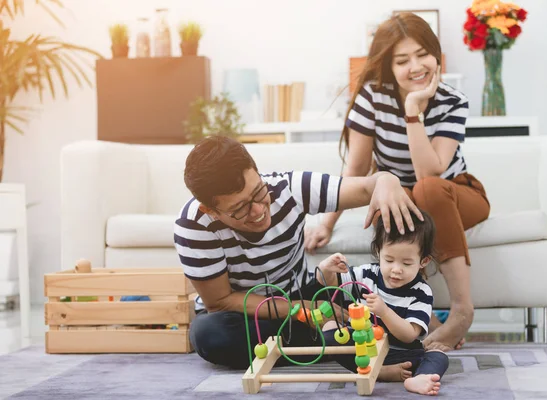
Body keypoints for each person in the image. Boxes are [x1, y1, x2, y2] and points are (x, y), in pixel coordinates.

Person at [305, 12, 490, 352]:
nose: (416, 67)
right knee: (393, 199)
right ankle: (428, 321)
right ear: (388, 66)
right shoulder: (372, 97)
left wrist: (412, 111)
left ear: (436, 54)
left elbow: (430, 173)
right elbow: (357, 167)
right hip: (406, 198)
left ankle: (462, 310)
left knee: (426, 189)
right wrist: (326, 223)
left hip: (456, 193)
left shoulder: (453, 101)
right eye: (402, 60)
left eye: (423, 54)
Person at [174, 135, 422, 369]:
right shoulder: (193, 225)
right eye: (240, 209)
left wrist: (387, 180)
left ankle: (323, 341)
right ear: (211, 211)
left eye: (259, 192)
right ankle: (338, 342)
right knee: (209, 334)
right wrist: (301, 310)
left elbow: (368, 187)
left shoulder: (288, 188)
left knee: (365, 292)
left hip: (304, 293)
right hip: (248, 314)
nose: (259, 210)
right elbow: (220, 301)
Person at [316, 210, 448, 395]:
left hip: (401, 355)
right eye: (389, 259)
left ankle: (417, 378)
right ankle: (379, 372)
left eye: (407, 263)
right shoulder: (367, 274)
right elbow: (330, 283)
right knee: (330, 330)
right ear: (379, 252)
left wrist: (384, 312)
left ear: (423, 261)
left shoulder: (421, 292)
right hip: (363, 349)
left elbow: (409, 335)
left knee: (438, 356)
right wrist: (325, 269)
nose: (396, 269)